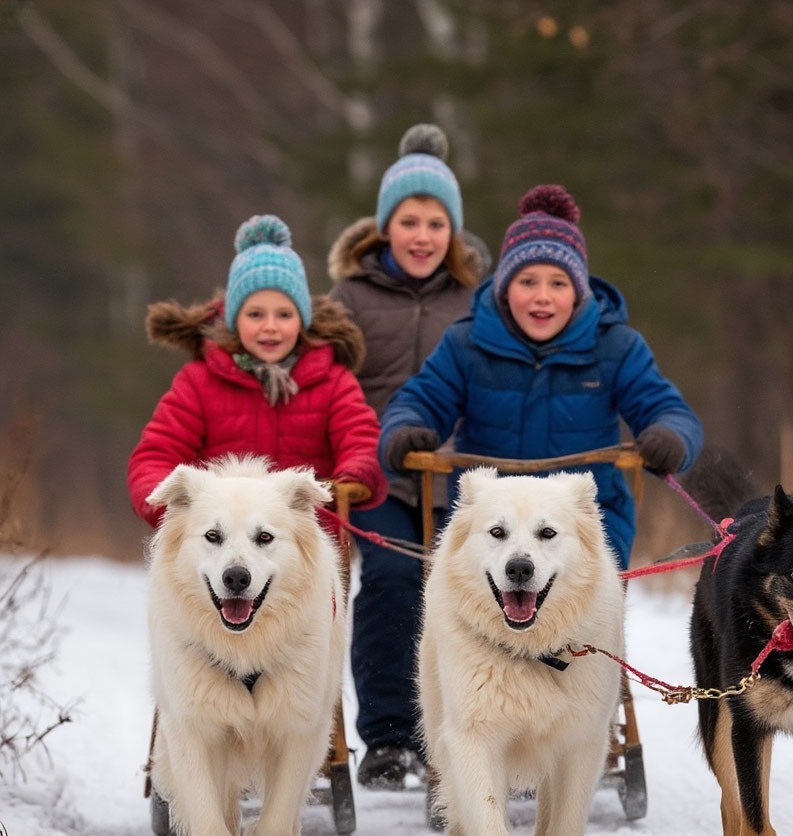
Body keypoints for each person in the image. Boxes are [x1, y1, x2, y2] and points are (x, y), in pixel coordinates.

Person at [378, 183, 704, 572]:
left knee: (575, 618)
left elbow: (668, 409)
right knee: (478, 621)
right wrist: (405, 430)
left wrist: (670, 436)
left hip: (585, 521)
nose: (542, 297)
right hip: (493, 524)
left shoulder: (616, 346)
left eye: (558, 283)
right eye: (527, 282)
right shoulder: (466, 343)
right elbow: (419, 400)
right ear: (504, 289)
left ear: (579, 292)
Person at [326, 124, 487, 790]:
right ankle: (391, 736)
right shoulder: (350, 300)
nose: (422, 236)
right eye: (409, 221)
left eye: (436, 222)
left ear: (453, 231)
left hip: (468, 480)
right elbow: (326, 385)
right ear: (384, 228)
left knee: (486, 593)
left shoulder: (480, 299)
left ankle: (484, 727)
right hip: (384, 479)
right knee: (393, 580)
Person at [127, 213, 386, 534]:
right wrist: (164, 501)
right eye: (255, 314)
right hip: (222, 542)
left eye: (284, 314)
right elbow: (156, 452)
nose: (270, 326)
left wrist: (354, 476)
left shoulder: (333, 381)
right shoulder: (199, 381)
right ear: (235, 320)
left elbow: (361, 439)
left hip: (305, 543)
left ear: (302, 319)